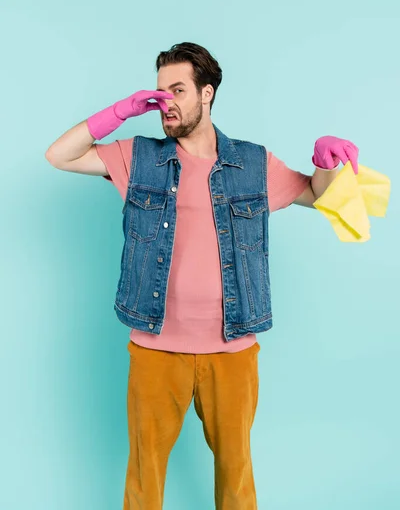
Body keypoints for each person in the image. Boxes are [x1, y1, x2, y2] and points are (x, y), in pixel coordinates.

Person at [45, 42, 359, 510]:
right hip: (155, 349)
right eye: (158, 92)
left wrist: (327, 165)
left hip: (232, 351)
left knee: (236, 479)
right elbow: (59, 156)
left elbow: (320, 197)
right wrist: (119, 112)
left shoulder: (253, 164)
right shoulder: (140, 158)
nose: (165, 102)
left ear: (206, 94)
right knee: (144, 479)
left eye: (178, 89)